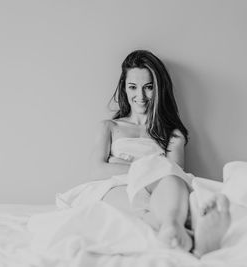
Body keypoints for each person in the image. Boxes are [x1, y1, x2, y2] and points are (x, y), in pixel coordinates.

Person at [89, 50, 231, 257]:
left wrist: (134, 168)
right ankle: (190, 239)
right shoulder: (109, 127)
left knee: (172, 183)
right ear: (124, 88)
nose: (140, 96)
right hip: (118, 187)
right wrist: (150, 167)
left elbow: (175, 174)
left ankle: (174, 227)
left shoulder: (173, 135)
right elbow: (96, 169)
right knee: (135, 206)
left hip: (160, 191)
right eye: (133, 87)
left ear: (159, 89)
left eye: (148, 87)